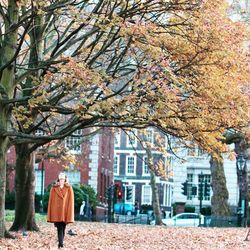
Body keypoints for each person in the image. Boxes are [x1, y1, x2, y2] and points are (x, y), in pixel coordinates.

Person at [47, 172, 74, 249]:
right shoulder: (54, 188)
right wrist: (52, 212)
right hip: (57, 212)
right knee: (59, 227)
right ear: (58, 179)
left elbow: (71, 201)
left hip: (65, 211)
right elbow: (51, 201)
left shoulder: (69, 188)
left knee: (63, 227)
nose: (61, 180)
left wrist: (69, 212)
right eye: (60, 178)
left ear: (65, 179)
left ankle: (61, 242)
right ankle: (61, 243)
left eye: (63, 178)